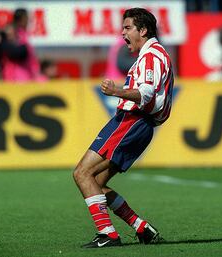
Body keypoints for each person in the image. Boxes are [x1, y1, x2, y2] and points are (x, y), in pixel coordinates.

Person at [73, 8, 174, 248]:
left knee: (81, 173)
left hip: (132, 121)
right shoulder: (151, 55)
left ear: (143, 30)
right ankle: (141, 227)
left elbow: (147, 95)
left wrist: (117, 91)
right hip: (138, 124)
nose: (123, 34)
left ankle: (108, 234)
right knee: (95, 181)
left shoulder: (152, 56)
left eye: (127, 28)